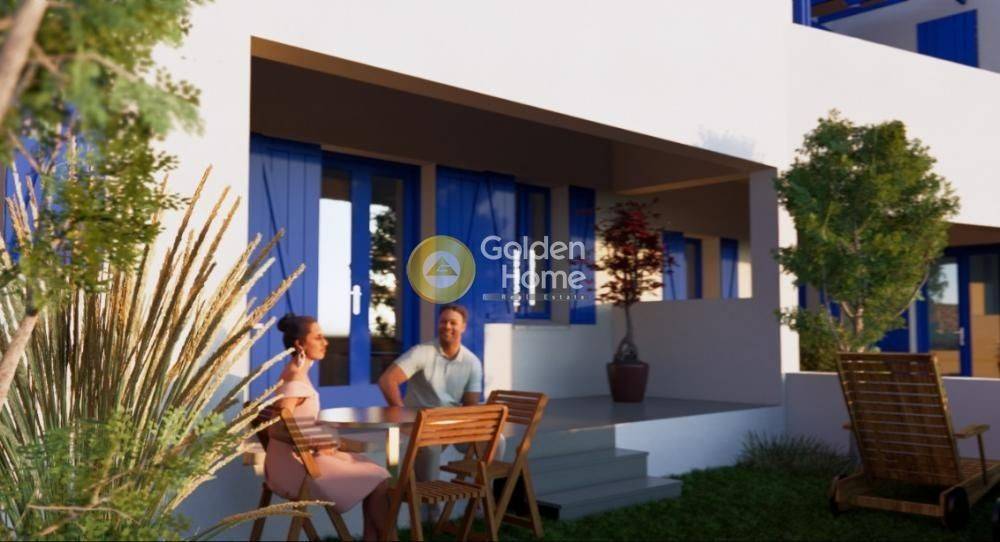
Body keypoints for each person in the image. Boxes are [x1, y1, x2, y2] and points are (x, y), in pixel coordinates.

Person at [265, 314, 391, 542]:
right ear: (300, 344)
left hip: (290, 463)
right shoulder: (294, 379)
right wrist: (316, 441)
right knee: (379, 478)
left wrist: (322, 439)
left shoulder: (294, 373)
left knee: (374, 470)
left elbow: (293, 423)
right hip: (298, 469)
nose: (326, 342)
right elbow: (277, 426)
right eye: (318, 337)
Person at [377, 304, 505, 484]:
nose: (447, 326)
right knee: (430, 446)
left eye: (453, 323)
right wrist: (401, 414)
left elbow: (470, 406)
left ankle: (484, 492)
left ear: (463, 327)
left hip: (452, 423)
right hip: (420, 422)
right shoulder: (422, 352)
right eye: (443, 322)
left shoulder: (472, 362)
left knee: (497, 440)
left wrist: (466, 426)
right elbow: (387, 380)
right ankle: (427, 499)